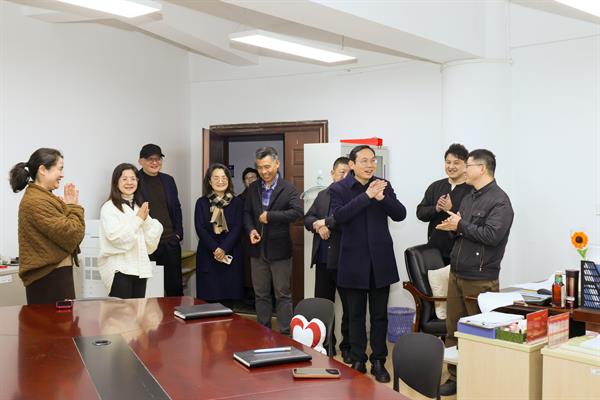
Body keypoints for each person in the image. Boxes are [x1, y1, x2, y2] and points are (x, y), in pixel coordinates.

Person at [436, 149, 514, 395]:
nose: (463, 170)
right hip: (457, 272)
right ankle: (455, 378)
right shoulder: (469, 197)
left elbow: (492, 236)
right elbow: (465, 230)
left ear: (482, 168)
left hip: (480, 279)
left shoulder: (500, 201)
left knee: (480, 334)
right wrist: (453, 227)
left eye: (467, 166)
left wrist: (460, 224)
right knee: (453, 330)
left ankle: (481, 381)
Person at [329, 145, 406, 383]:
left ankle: (379, 361)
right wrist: (366, 197)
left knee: (379, 315)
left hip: (380, 261)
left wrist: (382, 198)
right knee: (355, 315)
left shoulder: (383, 185)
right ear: (352, 164)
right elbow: (339, 217)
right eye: (364, 160)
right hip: (353, 261)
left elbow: (400, 214)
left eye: (372, 160)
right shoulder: (339, 188)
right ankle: (358, 359)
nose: (370, 165)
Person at [9, 148, 85, 305]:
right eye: (60, 168)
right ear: (43, 170)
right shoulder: (37, 201)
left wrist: (67, 208)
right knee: (55, 321)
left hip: (54, 275)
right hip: (49, 278)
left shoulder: (43, 197)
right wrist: (73, 206)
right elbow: (72, 234)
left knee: (63, 320)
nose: (62, 174)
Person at [243, 147, 303, 335]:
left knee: (282, 295)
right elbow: (246, 213)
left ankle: (286, 334)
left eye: (267, 166)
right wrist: (251, 230)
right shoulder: (253, 188)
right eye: (260, 167)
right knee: (261, 294)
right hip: (257, 250)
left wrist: (271, 216)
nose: (264, 171)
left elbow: (298, 212)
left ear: (277, 164)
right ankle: (263, 332)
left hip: (280, 251)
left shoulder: (288, 188)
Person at [303, 156, 351, 360]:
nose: (345, 176)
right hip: (323, 260)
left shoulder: (354, 197)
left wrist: (327, 223)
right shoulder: (323, 195)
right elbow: (308, 218)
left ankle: (348, 347)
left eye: (349, 173)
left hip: (346, 260)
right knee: (323, 305)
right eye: (341, 172)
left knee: (350, 307)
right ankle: (326, 343)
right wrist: (318, 226)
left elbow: (348, 221)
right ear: (332, 174)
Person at [98, 163, 163, 299]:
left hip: (140, 268)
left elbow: (153, 235)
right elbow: (116, 238)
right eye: (124, 179)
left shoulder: (139, 207)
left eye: (133, 179)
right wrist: (138, 220)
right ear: (116, 182)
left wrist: (144, 220)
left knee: (138, 310)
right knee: (121, 311)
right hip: (120, 269)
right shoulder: (109, 208)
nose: (129, 182)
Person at [137, 144, 184, 297]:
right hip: (147, 244)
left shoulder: (168, 180)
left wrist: (178, 234)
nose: (155, 162)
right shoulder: (135, 181)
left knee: (174, 288)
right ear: (141, 161)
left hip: (170, 241)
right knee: (150, 290)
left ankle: (175, 313)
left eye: (158, 159)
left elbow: (176, 207)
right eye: (150, 159)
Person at [194, 164, 243, 307]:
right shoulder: (201, 202)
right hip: (208, 254)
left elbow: (238, 227)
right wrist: (215, 248)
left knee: (229, 303)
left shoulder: (237, 202)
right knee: (208, 302)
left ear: (228, 180)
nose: (220, 181)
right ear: (209, 181)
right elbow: (200, 228)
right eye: (216, 178)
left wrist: (224, 248)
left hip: (230, 254)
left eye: (224, 177)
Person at [417, 143, 471, 265]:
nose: (451, 166)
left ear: (466, 165)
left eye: (456, 163)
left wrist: (450, 209)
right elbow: (420, 213)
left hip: (461, 252)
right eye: (448, 162)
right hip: (434, 250)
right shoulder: (435, 186)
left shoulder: (472, 189)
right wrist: (436, 208)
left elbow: (473, 221)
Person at [238, 167, 259, 308]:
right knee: (247, 269)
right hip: (245, 239)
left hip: (262, 238)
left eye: (253, 177)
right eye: (247, 178)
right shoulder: (239, 199)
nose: (250, 180)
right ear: (244, 182)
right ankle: (249, 298)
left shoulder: (264, 195)